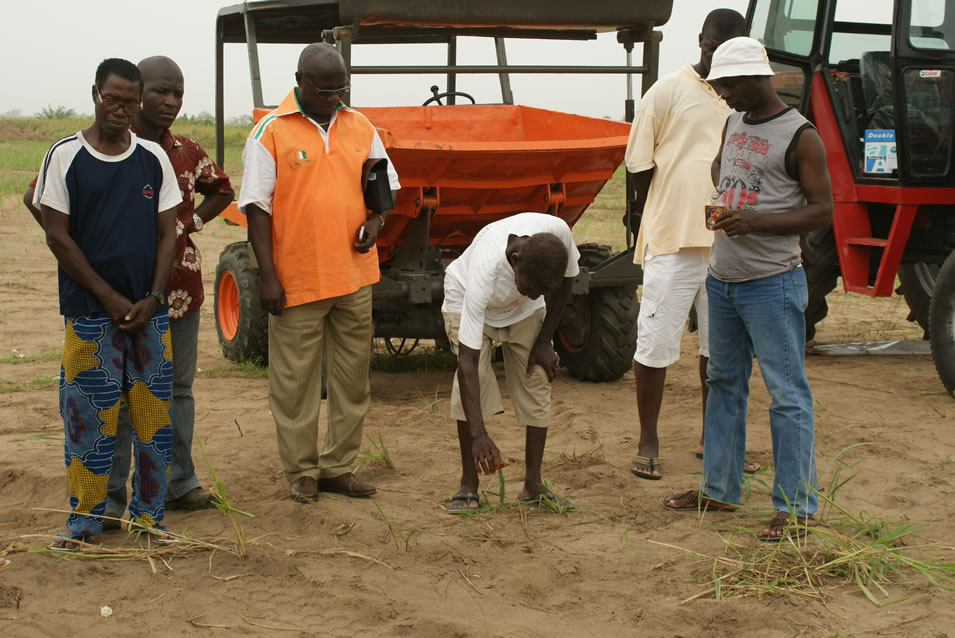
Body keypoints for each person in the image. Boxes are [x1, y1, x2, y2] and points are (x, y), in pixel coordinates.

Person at [24, 57, 235, 520]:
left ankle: (171, 491)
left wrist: (189, 226)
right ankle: (103, 507)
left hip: (169, 298)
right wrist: (87, 254)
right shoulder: (75, 154)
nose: (170, 102)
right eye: (161, 92)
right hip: (104, 301)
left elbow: (214, 195)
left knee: (169, 400)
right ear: (102, 96)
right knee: (104, 405)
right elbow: (45, 210)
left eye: (177, 94)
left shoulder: (177, 151)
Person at [664, 37, 833, 541]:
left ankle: (797, 507)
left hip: (773, 284)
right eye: (720, 87)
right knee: (724, 385)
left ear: (760, 77)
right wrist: (727, 197)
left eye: (731, 86)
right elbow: (723, 166)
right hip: (724, 280)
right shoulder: (734, 120)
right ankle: (719, 488)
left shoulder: (801, 135)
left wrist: (754, 220)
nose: (725, 95)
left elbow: (823, 211)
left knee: (786, 395)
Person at [238, 43, 400, 503]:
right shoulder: (270, 131)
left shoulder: (360, 125)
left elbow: (381, 187)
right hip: (296, 280)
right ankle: (302, 472)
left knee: (353, 380)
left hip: (353, 276)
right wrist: (267, 275)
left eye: (341, 88)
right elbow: (256, 209)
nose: (335, 97)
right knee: (294, 382)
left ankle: (338, 468)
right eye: (325, 89)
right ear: (300, 81)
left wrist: (375, 222)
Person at [34, 58, 182, 550]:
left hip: (149, 318)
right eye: (112, 99)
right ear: (95, 94)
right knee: (88, 425)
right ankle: (83, 526)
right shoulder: (64, 156)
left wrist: (153, 297)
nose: (121, 110)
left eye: (130, 102)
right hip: (89, 316)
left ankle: (150, 522)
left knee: (153, 425)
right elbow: (58, 236)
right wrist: (110, 297)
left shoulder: (153, 159)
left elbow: (168, 233)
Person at [624, 9, 759, 480]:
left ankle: (713, 437)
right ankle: (648, 440)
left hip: (725, 242)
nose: (717, 57)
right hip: (672, 239)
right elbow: (639, 166)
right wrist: (668, 204)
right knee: (656, 341)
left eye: (728, 51)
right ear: (700, 40)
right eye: (711, 46)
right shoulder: (666, 91)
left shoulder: (741, 99)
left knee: (720, 350)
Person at [442, 213, 579, 514]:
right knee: (473, 377)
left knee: (538, 379)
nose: (534, 295)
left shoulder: (558, 236)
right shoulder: (483, 272)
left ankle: (533, 484)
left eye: (541, 292)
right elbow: (467, 362)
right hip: (465, 298)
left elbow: (568, 280)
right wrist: (480, 434)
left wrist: (543, 341)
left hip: (521, 315)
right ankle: (468, 484)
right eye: (528, 287)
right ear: (515, 261)